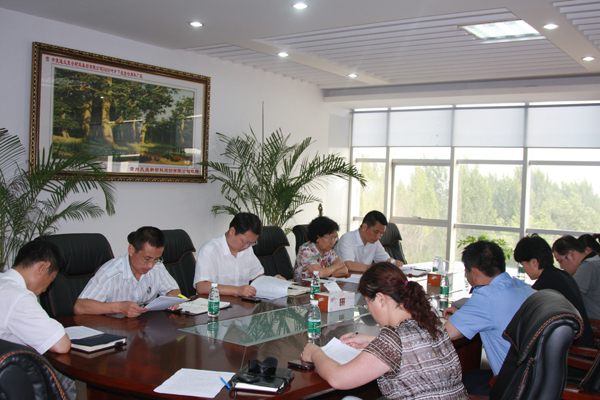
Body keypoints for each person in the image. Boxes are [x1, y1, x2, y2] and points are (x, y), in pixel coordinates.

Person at [301, 262, 467, 400]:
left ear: (380, 299)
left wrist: (315, 353)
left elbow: (339, 378)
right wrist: (373, 340)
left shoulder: (393, 339)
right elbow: (413, 347)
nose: (369, 309)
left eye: (367, 302)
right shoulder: (431, 322)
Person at [442, 240, 534, 395]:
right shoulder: (523, 287)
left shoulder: (486, 297)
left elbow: (445, 334)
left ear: (475, 273)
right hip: (532, 379)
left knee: (448, 383)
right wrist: (465, 316)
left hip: (511, 388)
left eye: (466, 272)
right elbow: (500, 315)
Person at [0, 240, 76, 400]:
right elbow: (61, 345)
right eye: (51, 279)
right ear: (42, 268)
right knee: (69, 378)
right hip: (11, 380)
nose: (47, 288)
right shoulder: (18, 296)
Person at [74, 226, 181, 318]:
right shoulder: (110, 272)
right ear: (131, 250)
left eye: (156, 259)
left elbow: (174, 290)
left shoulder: (157, 267)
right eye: (147, 259)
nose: (151, 265)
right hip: (114, 328)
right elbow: (79, 307)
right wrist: (120, 307)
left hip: (145, 326)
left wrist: (172, 298)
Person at [514, 234, 594, 347]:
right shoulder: (561, 275)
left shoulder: (545, 283)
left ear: (534, 262)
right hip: (585, 342)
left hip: (575, 349)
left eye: (523, 264)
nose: (524, 270)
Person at [194, 212, 283, 297]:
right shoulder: (210, 250)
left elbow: (257, 276)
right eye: (244, 242)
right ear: (232, 231)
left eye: (251, 243)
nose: (247, 246)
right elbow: (202, 286)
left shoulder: (247, 249)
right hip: (216, 304)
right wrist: (237, 290)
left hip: (241, 304)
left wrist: (272, 282)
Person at [334, 210, 404, 274]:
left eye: (381, 234)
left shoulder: (374, 241)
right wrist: (374, 268)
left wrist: (394, 262)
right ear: (364, 227)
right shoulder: (347, 239)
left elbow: (385, 259)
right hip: (342, 281)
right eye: (376, 232)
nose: (378, 237)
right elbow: (349, 265)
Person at [552, 235, 600, 320]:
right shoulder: (595, 260)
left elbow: (568, 294)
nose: (561, 267)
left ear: (571, 255)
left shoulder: (588, 266)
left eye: (560, 261)